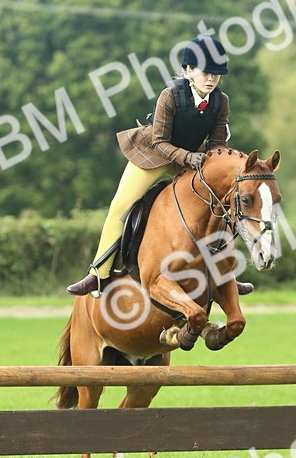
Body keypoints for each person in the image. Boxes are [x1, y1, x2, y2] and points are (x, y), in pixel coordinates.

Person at [66, 35, 255, 297]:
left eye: (216, 74)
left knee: (220, 207)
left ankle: (226, 274)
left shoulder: (221, 101)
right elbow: (160, 141)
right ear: (187, 71)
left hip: (191, 159)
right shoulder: (170, 96)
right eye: (205, 73)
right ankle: (99, 273)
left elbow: (217, 144)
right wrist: (188, 159)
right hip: (154, 155)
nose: (211, 79)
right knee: (120, 205)